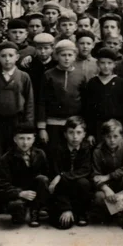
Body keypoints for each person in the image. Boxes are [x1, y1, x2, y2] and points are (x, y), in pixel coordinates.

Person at [0, 41, 35, 217]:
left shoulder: (24, 77)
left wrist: (28, 128)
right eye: (3, 56)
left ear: (17, 57)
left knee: (18, 161)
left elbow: (30, 104)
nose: (7, 59)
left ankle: (19, 201)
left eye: (11, 55)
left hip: (17, 125)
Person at [37, 40, 88, 170]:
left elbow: (85, 101)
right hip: (53, 124)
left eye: (70, 55)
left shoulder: (80, 75)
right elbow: (41, 101)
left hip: (74, 125)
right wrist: (42, 128)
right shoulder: (48, 75)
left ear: (75, 56)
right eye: (63, 55)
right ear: (56, 56)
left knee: (71, 157)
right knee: (54, 156)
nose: (66, 58)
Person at [0, 125, 50, 227]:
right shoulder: (7, 158)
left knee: (42, 179)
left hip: (35, 192)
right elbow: (2, 184)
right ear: (15, 139)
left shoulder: (40, 154)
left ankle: (35, 211)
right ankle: (21, 209)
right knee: (17, 215)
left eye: (28, 138)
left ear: (34, 139)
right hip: (18, 193)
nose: (25, 142)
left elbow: (47, 174)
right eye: (21, 138)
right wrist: (20, 193)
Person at [48, 116, 93, 229]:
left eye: (79, 132)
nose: (75, 137)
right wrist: (65, 208)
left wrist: (62, 175)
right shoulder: (58, 149)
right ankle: (66, 210)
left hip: (78, 189)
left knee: (84, 182)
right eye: (71, 132)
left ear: (84, 134)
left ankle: (81, 213)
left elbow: (86, 170)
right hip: (62, 191)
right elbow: (55, 172)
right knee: (64, 224)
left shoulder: (86, 149)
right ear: (65, 134)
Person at [92, 120, 123, 230]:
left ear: (121, 136)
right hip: (108, 187)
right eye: (108, 137)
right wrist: (105, 188)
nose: (112, 140)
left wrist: (109, 176)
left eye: (116, 136)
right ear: (103, 137)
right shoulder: (98, 151)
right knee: (98, 198)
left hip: (122, 184)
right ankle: (118, 210)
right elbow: (95, 175)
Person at [84, 48, 123, 142]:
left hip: (116, 126)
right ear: (97, 64)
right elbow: (88, 110)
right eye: (102, 63)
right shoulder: (92, 83)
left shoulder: (120, 82)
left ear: (114, 64)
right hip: (98, 126)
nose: (106, 66)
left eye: (109, 63)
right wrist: (90, 133)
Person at [22, 33, 57, 109]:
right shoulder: (30, 64)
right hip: (33, 103)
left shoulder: (56, 65)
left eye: (46, 48)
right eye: (39, 48)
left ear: (52, 49)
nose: (43, 51)